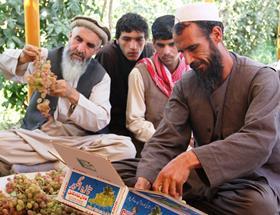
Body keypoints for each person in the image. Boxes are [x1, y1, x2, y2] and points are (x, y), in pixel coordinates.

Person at [114, 3, 280, 214]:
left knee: (258, 207)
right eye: (182, 52)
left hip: (250, 179)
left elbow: (258, 141)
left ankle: (178, 203)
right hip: (202, 178)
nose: (188, 60)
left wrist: (189, 159)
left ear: (217, 34)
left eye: (193, 48)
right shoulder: (187, 84)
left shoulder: (262, 77)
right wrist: (144, 179)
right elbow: (166, 138)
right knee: (120, 171)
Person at [0, 16, 136, 176]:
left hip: (77, 143)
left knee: (125, 148)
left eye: (90, 45)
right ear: (70, 35)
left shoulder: (101, 77)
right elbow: (4, 64)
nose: (80, 48)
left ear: (97, 50)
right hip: (38, 138)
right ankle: (60, 166)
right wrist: (22, 58)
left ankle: (46, 165)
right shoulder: (45, 58)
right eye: (78, 39)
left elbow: (100, 120)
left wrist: (73, 95)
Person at [126, 15, 189, 154]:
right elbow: (135, 121)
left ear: (181, 42)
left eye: (172, 44)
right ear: (153, 43)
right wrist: (165, 141)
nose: (166, 51)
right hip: (153, 149)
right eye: (161, 45)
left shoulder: (193, 70)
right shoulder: (140, 73)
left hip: (190, 149)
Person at [95, 13, 154, 137]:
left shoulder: (151, 52)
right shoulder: (107, 55)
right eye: (126, 39)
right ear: (117, 40)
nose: (133, 46)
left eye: (139, 39)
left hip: (143, 121)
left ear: (146, 39)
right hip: (111, 121)